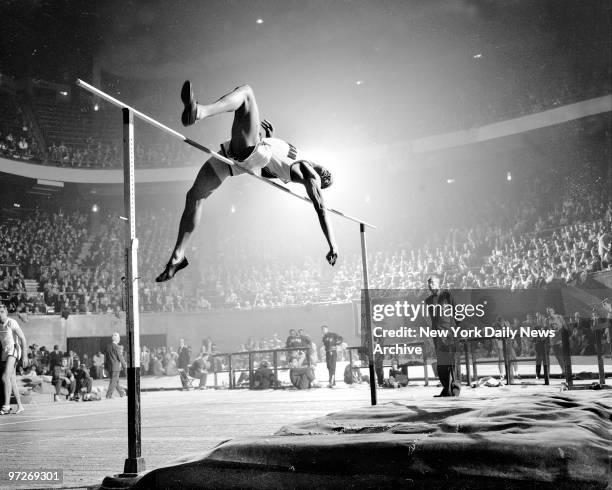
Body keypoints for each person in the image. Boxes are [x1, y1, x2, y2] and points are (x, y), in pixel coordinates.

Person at [155, 82, 337, 282]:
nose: (320, 168)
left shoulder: (311, 173)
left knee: (247, 93)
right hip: (243, 158)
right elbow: (268, 173)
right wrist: (271, 138)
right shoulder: (298, 161)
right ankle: (177, 258)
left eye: (323, 172)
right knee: (195, 196)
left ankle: (199, 111)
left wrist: (333, 245)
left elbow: (320, 206)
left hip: (253, 152)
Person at [424, 275, 461, 397]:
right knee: (441, 364)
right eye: (429, 283)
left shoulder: (447, 295)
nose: (430, 285)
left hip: (450, 334)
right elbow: (431, 319)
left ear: (439, 283)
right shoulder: (428, 301)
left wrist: (456, 330)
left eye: (433, 283)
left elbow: (457, 313)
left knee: (453, 363)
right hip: (438, 336)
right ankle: (446, 389)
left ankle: (455, 389)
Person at [0, 304, 28, 414]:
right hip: (5, 352)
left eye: (2, 311)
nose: (0, 314)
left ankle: (6, 406)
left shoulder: (12, 322)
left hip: (14, 350)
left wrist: (25, 356)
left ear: (6, 312)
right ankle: (20, 405)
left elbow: (23, 339)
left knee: (4, 377)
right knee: (11, 380)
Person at [105, 332, 127, 399]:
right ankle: (108, 395)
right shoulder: (117, 347)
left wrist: (106, 367)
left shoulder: (108, 347)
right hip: (116, 367)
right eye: (119, 338)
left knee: (115, 381)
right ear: (116, 339)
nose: (119, 339)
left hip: (110, 367)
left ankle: (121, 393)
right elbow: (120, 357)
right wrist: (124, 365)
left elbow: (106, 358)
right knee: (114, 381)